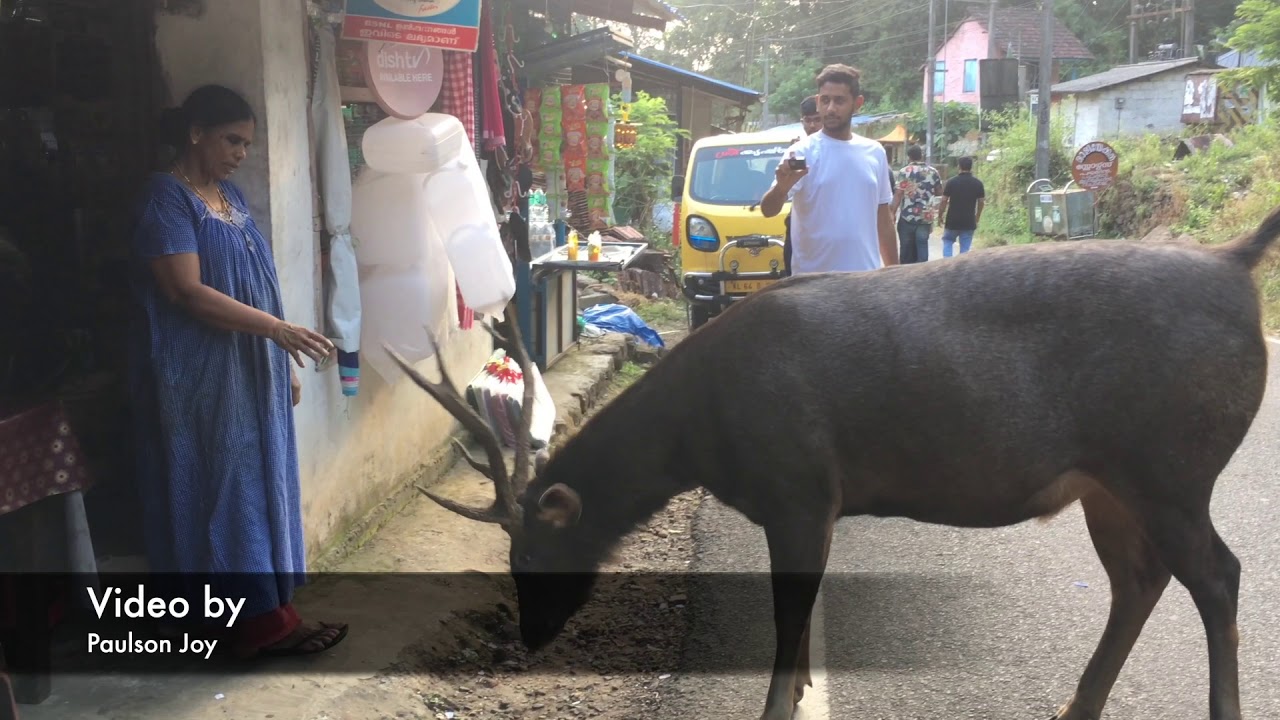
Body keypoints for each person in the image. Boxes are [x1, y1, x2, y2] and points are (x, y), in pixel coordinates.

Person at [129, 84, 347, 659]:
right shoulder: (165, 199)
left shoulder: (229, 195)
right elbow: (186, 292)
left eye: (248, 144)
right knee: (220, 489)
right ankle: (246, 629)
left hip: (249, 365)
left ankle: (269, 614)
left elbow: (258, 280)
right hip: (197, 375)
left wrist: (279, 359)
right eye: (232, 139)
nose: (240, 153)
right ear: (196, 131)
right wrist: (277, 331)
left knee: (259, 482)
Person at [760, 64, 897, 274]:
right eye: (825, 100)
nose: (831, 108)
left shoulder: (875, 152)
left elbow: (884, 220)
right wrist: (780, 189)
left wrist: (893, 275)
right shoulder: (801, 152)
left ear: (857, 103)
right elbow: (768, 210)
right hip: (812, 287)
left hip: (865, 283)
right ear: (818, 101)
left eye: (839, 100)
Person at [782, 95, 822, 276]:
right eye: (808, 120)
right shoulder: (796, 151)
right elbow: (771, 204)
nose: (812, 125)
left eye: (816, 120)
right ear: (802, 121)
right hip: (802, 238)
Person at [890, 144, 942, 264]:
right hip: (925, 216)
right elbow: (939, 191)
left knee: (906, 249)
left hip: (907, 216)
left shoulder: (904, 172)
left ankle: (905, 275)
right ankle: (923, 274)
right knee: (922, 245)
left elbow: (898, 194)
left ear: (909, 157)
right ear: (921, 156)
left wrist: (892, 213)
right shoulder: (933, 172)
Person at [936, 155, 985, 257]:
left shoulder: (951, 182)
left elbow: (944, 200)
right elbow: (981, 202)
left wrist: (940, 215)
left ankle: (947, 264)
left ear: (959, 166)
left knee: (948, 241)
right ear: (971, 167)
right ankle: (962, 269)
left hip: (952, 220)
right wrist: (977, 216)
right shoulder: (978, 183)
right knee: (965, 249)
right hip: (968, 220)